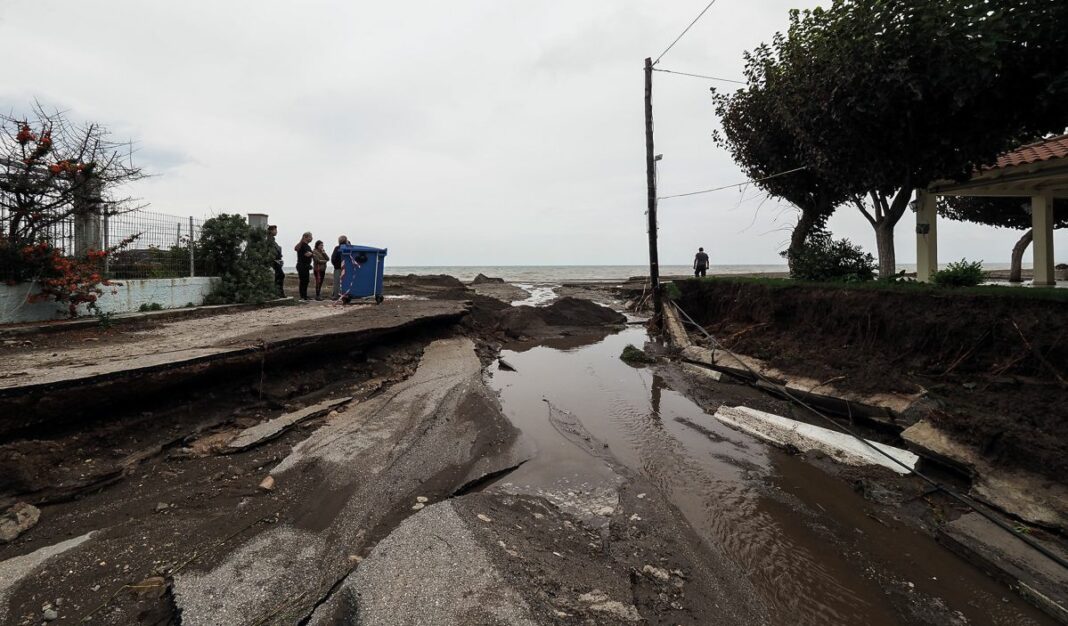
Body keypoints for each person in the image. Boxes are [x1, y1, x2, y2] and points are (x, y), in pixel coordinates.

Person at [294, 232, 314, 301]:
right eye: (310, 237)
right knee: (303, 281)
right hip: (302, 265)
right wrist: (312, 253)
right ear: (305, 237)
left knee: (306, 281)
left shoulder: (307, 246)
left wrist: (311, 253)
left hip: (306, 265)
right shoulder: (303, 245)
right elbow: (307, 254)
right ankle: (302, 296)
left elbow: (310, 254)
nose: (311, 238)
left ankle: (305, 295)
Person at [267, 225, 284, 297]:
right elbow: (270, 251)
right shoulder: (269, 240)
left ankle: (278, 292)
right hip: (274, 261)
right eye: (275, 230)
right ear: (270, 231)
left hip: (277, 260)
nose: (276, 231)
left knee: (280, 275)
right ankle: (278, 292)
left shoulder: (272, 240)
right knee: (280, 275)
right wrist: (275, 260)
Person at [330, 235, 349, 300]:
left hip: (338, 267)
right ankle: (346, 294)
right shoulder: (348, 248)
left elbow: (333, 258)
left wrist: (335, 265)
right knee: (347, 281)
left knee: (337, 282)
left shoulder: (337, 248)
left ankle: (336, 295)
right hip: (347, 268)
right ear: (346, 241)